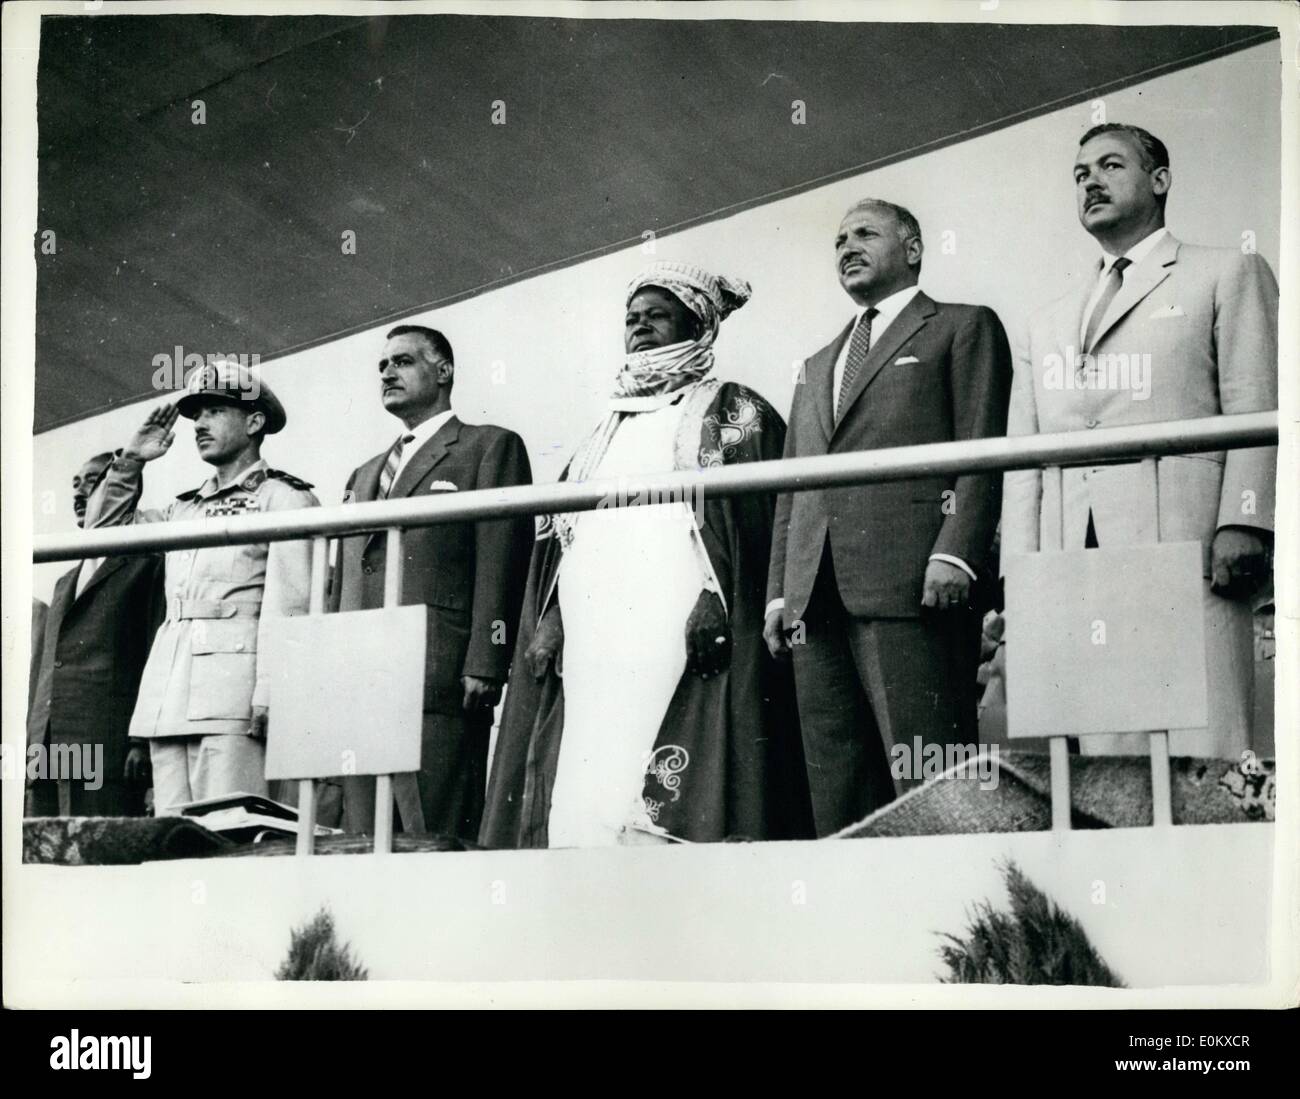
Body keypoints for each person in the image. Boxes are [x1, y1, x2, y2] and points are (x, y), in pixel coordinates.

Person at [481, 261, 812, 848]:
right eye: (632, 318)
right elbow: (563, 539)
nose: (640, 328)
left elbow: (755, 530)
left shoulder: (734, 409)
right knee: (590, 773)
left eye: (657, 316)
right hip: (593, 636)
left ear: (697, 324)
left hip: (680, 627)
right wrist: (551, 620)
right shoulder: (602, 431)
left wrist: (718, 601)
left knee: (664, 773)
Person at [1001, 123, 1277, 758]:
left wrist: (1246, 523)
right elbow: (1023, 460)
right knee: (1100, 764)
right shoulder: (1046, 320)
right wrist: (1018, 571)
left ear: (1159, 181)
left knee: (1198, 750)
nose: (1091, 182)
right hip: (1072, 558)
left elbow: (1259, 404)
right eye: (1080, 174)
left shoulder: (1227, 272)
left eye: (1110, 166)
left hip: (1185, 546)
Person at [764, 200, 1013, 837]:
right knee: (838, 793)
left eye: (866, 233)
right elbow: (792, 485)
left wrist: (956, 551)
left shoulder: (962, 327)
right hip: (813, 601)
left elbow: (982, 450)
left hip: (912, 588)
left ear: (913, 248)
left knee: (929, 781)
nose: (848, 245)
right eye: (840, 238)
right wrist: (777, 596)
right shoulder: (818, 364)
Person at [85, 363, 318, 812]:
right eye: (197, 415)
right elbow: (100, 531)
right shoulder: (183, 510)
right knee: (174, 843)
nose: (200, 425)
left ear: (254, 422)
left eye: (215, 411)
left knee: (235, 835)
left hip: (235, 700)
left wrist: (274, 693)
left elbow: (291, 607)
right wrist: (131, 461)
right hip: (168, 699)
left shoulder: (284, 499)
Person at [332, 325, 533, 842]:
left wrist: (487, 659)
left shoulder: (489, 446)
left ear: (443, 371)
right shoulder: (364, 473)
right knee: (363, 835)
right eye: (381, 366)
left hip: (438, 674)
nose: (387, 374)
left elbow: (502, 558)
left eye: (401, 361)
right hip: (362, 680)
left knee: (435, 833)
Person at [26, 452, 164, 816]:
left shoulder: (145, 565)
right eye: (75, 483)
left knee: (97, 851)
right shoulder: (63, 582)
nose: (80, 492)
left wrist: (141, 742)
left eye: (93, 481)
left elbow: (154, 652)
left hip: (106, 743)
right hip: (49, 742)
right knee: (43, 846)